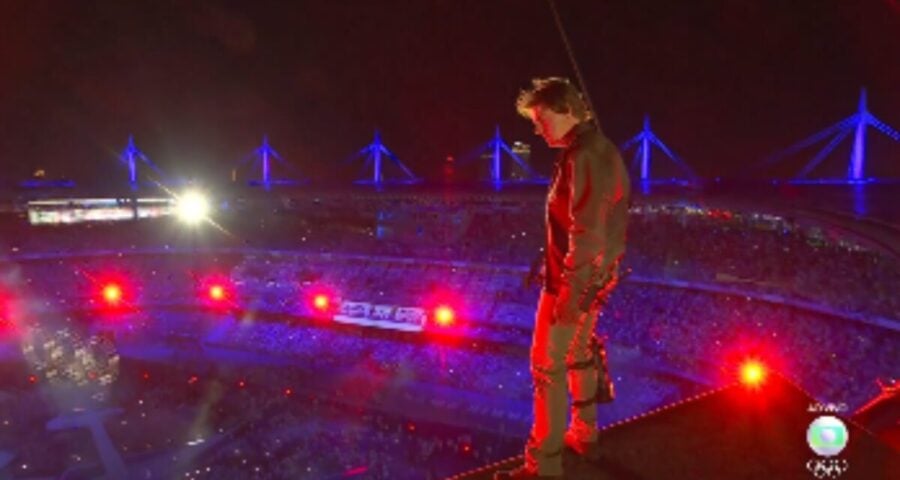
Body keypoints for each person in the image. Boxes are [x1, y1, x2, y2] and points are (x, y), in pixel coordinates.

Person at [496, 77, 630, 479]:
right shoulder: (598, 150)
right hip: (594, 277)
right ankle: (584, 433)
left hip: (573, 282)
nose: (537, 129)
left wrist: (570, 295)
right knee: (576, 353)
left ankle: (543, 466)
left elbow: (587, 235)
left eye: (540, 119)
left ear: (566, 109)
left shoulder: (584, 156)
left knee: (546, 367)